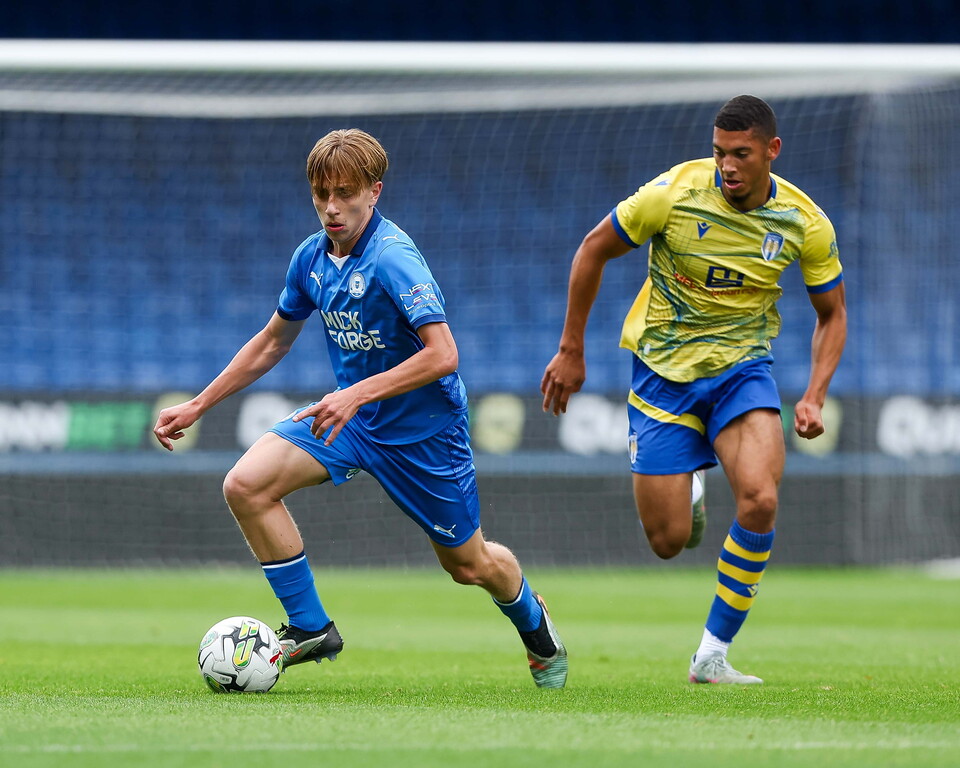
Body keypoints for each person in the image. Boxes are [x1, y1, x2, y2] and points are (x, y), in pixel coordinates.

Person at [154, 128, 567, 689]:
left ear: (374, 192)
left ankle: (535, 626)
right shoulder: (311, 257)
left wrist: (355, 392)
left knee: (469, 566)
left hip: (423, 433)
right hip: (349, 420)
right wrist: (200, 402)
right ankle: (310, 627)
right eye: (321, 193)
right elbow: (274, 340)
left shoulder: (394, 260)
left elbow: (444, 355)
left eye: (344, 193)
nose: (331, 207)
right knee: (245, 485)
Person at [541, 95, 846, 684]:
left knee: (760, 497)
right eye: (718, 153)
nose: (727, 166)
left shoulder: (804, 223)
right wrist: (571, 349)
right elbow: (592, 249)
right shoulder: (674, 193)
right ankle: (693, 491)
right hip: (662, 374)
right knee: (668, 539)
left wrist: (814, 394)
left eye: (741, 154)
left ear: (771, 152)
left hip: (742, 372)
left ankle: (712, 654)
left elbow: (832, 313)